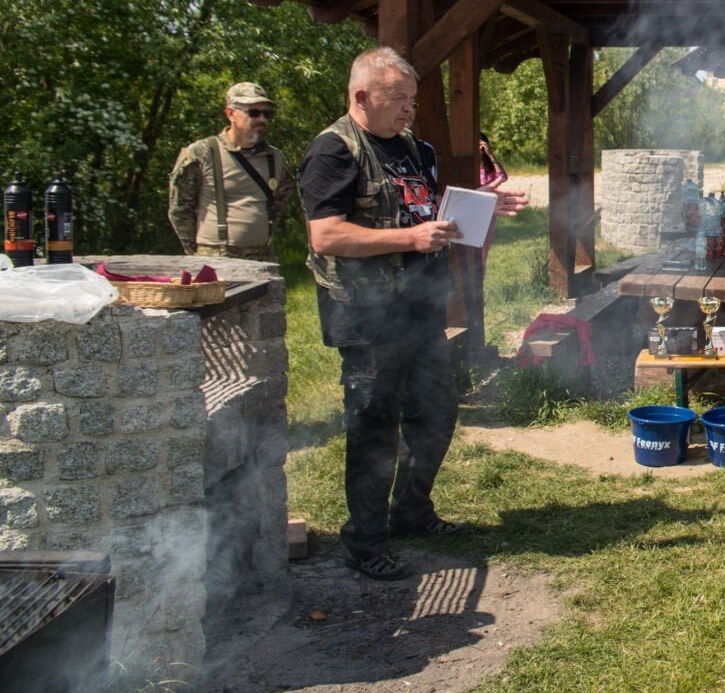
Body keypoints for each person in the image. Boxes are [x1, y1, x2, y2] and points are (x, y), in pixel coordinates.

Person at [299, 47, 524, 579]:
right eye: (398, 98)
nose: (409, 109)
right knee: (374, 427)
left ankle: (411, 511)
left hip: (420, 308)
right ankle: (365, 541)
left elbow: (422, 208)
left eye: (413, 100)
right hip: (367, 315)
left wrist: (484, 205)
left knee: (437, 413)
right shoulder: (333, 151)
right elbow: (326, 234)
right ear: (361, 96)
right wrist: (410, 239)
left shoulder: (413, 149)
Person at [168, 82, 294, 260]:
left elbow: (280, 203)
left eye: (267, 114)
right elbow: (180, 210)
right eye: (254, 112)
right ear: (231, 114)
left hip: (263, 256)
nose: (262, 119)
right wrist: (199, 254)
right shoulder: (203, 153)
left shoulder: (275, 158)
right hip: (217, 257)